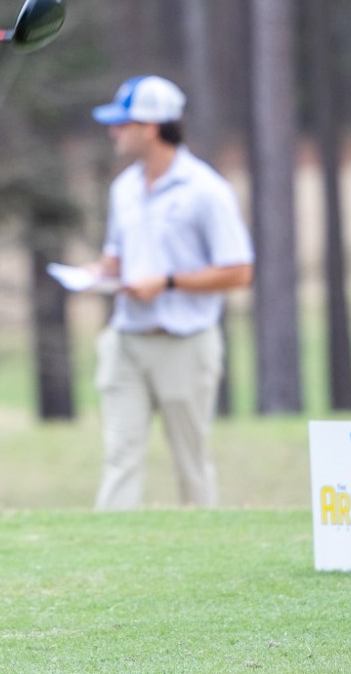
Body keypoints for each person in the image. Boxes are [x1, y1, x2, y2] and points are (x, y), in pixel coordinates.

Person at [85, 75, 254, 510]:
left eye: (122, 123)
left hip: (186, 343)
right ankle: (108, 558)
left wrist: (169, 282)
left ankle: (204, 557)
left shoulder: (206, 191)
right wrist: (98, 274)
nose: (113, 131)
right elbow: (116, 259)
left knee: (191, 461)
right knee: (119, 456)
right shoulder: (123, 188)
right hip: (126, 341)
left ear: (151, 127)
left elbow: (239, 271)